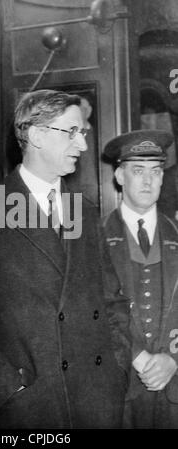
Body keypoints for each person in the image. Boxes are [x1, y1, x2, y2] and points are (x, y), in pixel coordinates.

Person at [0, 89, 131, 429]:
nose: (83, 146)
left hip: (97, 400)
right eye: (72, 132)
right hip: (33, 405)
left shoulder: (83, 209)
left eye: (82, 133)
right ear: (37, 135)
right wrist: (8, 386)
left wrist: (118, 366)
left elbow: (112, 299)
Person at [101, 129, 178, 428]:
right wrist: (138, 357)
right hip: (120, 391)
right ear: (120, 176)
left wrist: (173, 358)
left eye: (155, 171)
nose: (148, 181)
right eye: (138, 171)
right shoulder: (93, 238)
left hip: (174, 392)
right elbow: (91, 312)